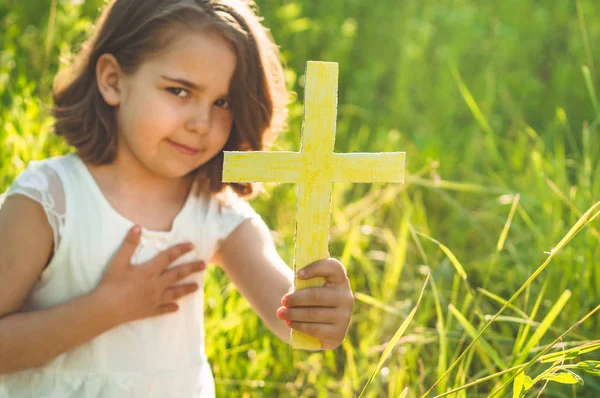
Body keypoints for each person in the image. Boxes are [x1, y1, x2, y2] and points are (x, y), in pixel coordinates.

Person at [0, 0, 354, 396]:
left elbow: (288, 314)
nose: (201, 123)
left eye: (222, 103)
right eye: (180, 91)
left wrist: (321, 314)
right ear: (113, 80)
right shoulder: (50, 200)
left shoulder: (215, 211)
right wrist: (107, 308)